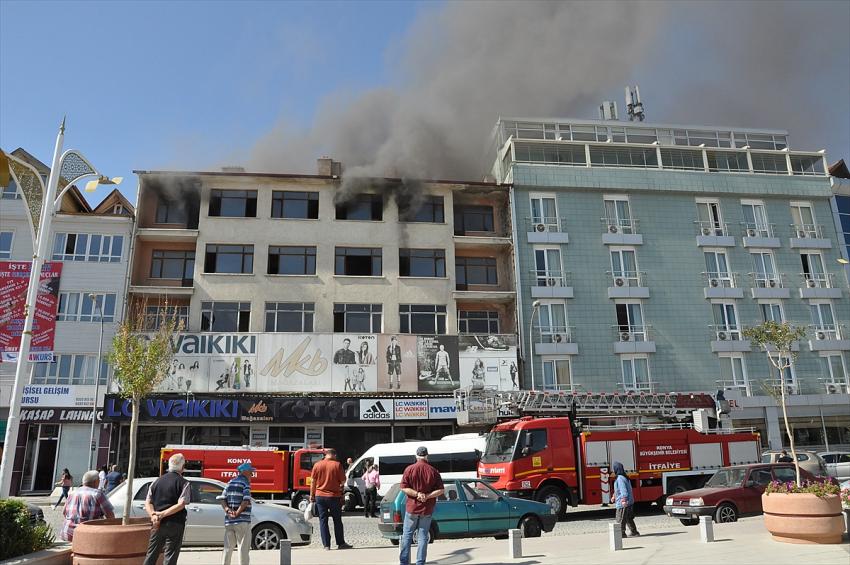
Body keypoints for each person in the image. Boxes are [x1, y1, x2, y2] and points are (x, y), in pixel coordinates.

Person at [399, 446, 445, 565]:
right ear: (427, 456)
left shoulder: (409, 469)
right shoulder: (433, 471)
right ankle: (420, 562)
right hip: (427, 509)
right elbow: (441, 490)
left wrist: (417, 494)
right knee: (423, 537)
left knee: (407, 536)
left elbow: (403, 488)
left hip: (412, 508)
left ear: (416, 456)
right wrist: (427, 496)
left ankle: (404, 562)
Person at [143, 453, 191, 565]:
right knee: (171, 555)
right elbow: (181, 504)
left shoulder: (156, 481)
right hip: (176, 523)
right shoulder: (184, 483)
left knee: (151, 554)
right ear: (182, 468)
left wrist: (153, 516)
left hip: (157, 523)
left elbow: (148, 502)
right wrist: (162, 514)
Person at [310, 448, 352, 550]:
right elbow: (343, 481)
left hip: (320, 496)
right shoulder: (337, 465)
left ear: (326, 455)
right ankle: (340, 543)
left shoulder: (317, 465)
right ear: (334, 455)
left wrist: (312, 496)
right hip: (334, 496)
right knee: (337, 520)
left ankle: (326, 545)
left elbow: (313, 482)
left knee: (323, 521)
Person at [60, 470, 115, 541]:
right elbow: (111, 517)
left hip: (67, 533)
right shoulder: (97, 494)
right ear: (96, 481)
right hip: (86, 536)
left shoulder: (72, 493)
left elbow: (64, 512)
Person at [220, 462, 255, 565]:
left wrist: (227, 510)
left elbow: (222, 498)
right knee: (243, 549)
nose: (252, 475)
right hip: (242, 521)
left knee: (228, 548)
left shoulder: (230, 482)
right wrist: (237, 513)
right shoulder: (245, 484)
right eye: (251, 473)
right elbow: (246, 500)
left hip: (229, 521)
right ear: (245, 472)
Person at [612, 461, 639, 538]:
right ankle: (634, 531)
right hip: (630, 502)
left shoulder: (620, 478)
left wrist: (623, 500)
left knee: (620, 518)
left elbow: (623, 490)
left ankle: (621, 534)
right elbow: (618, 490)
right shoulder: (625, 477)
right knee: (628, 518)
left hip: (623, 503)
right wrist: (614, 496)